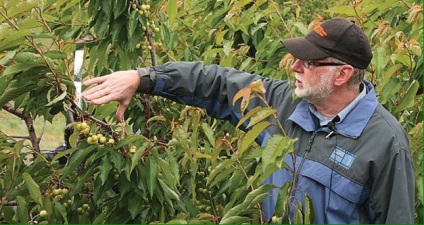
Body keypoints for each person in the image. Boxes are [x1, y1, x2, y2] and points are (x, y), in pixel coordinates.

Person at [82, 18, 415, 224]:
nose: (294, 67)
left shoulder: (384, 142)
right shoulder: (282, 104)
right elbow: (214, 82)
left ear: (342, 74)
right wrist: (142, 78)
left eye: (308, 62)